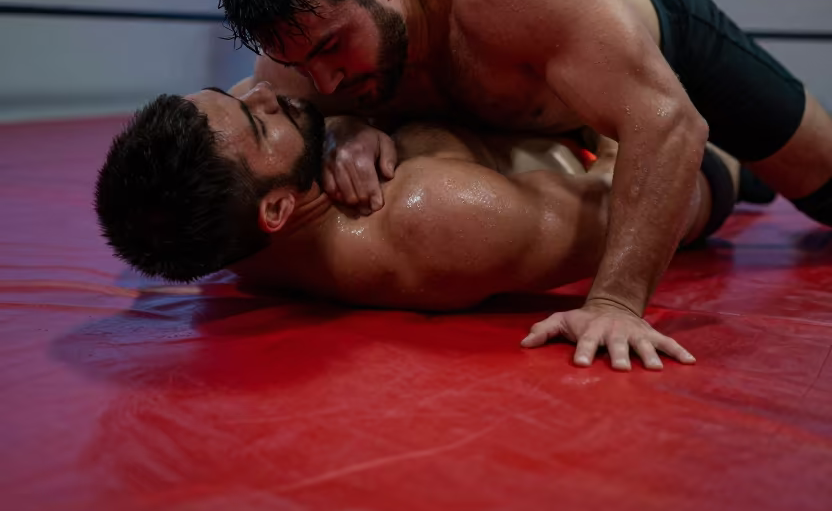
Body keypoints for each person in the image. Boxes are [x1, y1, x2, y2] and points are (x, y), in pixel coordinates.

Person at [212, 0, 832, 368]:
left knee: (824, 185)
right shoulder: (301, 54)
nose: (323, 83)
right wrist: (340, 132)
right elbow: (240, 140)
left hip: (668, 48)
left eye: (332, 49)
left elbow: (666, 120)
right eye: (300, 64)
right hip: (543, 121)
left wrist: (615, 303)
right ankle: (738, 173)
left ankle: (746, 165)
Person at [95, 80, 743, 370]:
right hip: (676, 170)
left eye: (237, 96)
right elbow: (645, 192)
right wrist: (607, 103)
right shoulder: (437, 216)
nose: (263, 91)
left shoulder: (219, 224)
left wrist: (350, 128)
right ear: (277, 209)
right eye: (261, 120)